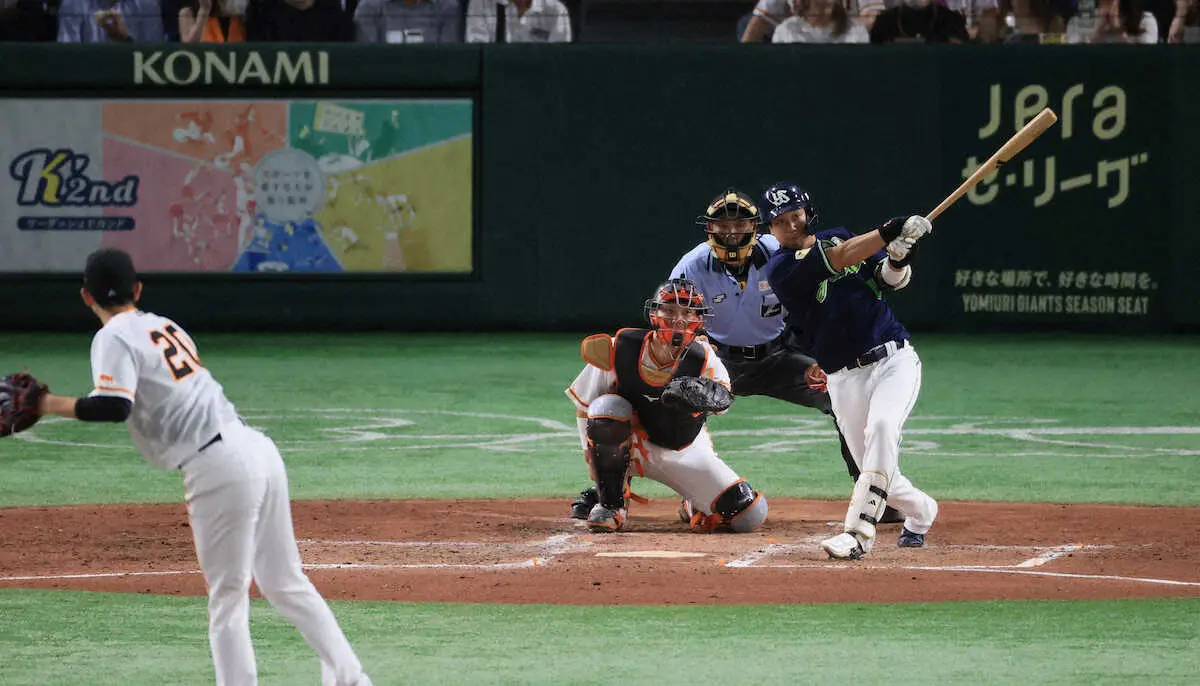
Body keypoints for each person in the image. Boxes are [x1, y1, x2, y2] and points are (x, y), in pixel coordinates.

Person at [32, 249, 373, 686]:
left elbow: (115, 406)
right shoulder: (167, 326)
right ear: (138, 290)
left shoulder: (113, 336)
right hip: (257, 448)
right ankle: (351, 678)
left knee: (228, 596)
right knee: (285, 581)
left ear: (85, 297)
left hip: (219, 467)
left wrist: (46, 403)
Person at [760, 183, 937, 560]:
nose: (791, 224)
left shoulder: (839, 234)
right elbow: (837, 259)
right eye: (780, 220)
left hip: (893, 359)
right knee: (875, 467)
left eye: (796, 215)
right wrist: (888, 231)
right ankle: (922, 511)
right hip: (842, 377)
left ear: (808, 212)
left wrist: (899, 256)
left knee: (883, 428)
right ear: (770, 228)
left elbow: (889, 282)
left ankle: (857, 534)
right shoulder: (780, 270)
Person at [565, 278, 769, 534]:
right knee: (607, 407)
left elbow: (723, 402)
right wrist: (591, 456)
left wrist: (704, 394)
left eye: (687, 312)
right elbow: (586, 406)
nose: (678, 319)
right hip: (633, 447)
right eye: (670, 310)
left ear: (699, 319)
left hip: (683, 449)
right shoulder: (621, 347)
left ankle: (693, 501)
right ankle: (612, 501)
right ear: (654, 313)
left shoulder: (703, 357)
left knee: (748, 515)